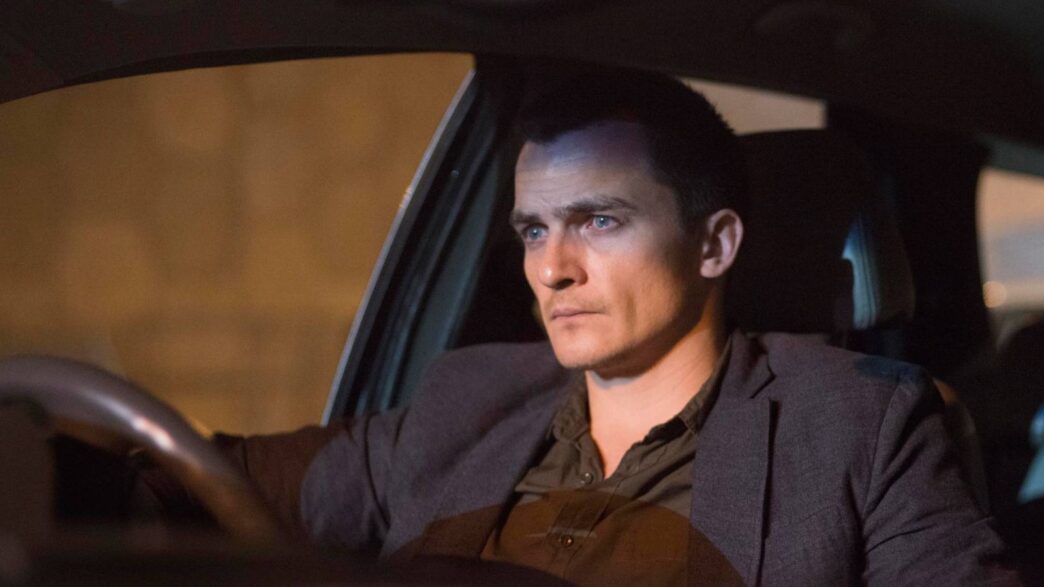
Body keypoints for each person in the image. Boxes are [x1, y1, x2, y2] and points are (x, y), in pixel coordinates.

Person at [151, 70, 1015, 585]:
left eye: (599, 220)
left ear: (714, 244)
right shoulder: (467, 397)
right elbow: (207, 481)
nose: (550, 268)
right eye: (533, 230)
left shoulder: (862, 425)